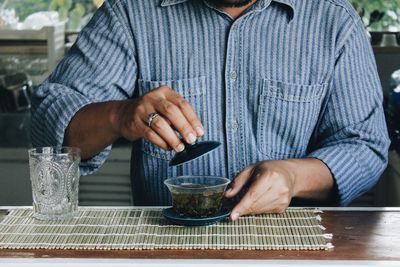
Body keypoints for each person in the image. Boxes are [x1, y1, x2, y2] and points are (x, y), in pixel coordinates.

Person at [31, 0, 390, 221]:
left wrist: (294, 176)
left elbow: (366, 147)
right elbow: (49, 126)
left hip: (292, 247)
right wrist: (119, 116)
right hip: (164, 249)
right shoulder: (130, 12)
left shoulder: (333, 19)